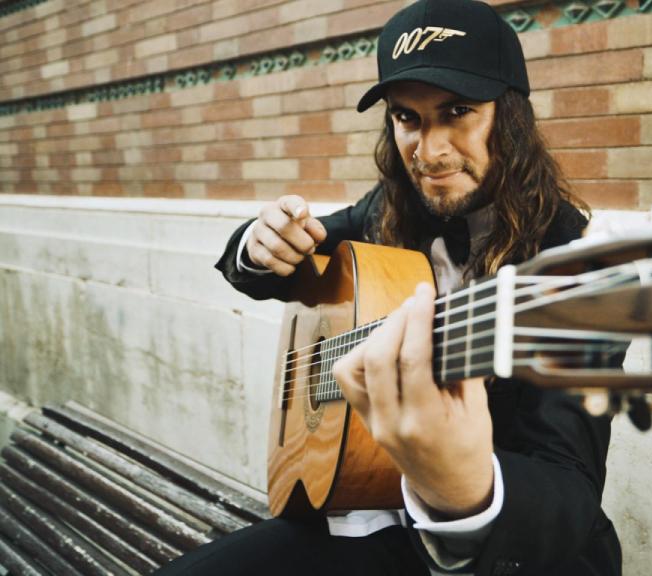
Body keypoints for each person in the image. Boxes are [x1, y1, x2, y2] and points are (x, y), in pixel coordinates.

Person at [162, 1, 621, 574]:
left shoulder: (575, 263)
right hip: (362, 509)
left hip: (505, 555)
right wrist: (259, 246)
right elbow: (281, 265)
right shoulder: (388, 207)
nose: (429, 152)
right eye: (407, 118)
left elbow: (569, 487)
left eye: (457, 111)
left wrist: (464, 488)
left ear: (510, 116)